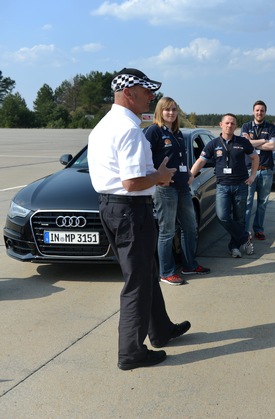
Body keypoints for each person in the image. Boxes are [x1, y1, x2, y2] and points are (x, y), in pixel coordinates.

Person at [87, 68, 190, 370]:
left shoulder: (104, 126)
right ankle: (131, 352)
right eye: (146, 92)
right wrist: (159, 177)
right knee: (137, 283)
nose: (151, 97)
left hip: (114, 209)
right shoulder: (129, 129)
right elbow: (132, 182)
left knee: (146, 273)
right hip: (131, 210)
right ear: (128, 93)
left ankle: (160, 330)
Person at [145, 97, 210, 286]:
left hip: (182, 186)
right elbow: (143, 159)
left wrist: (189, 174)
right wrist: (156, 176)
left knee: (190, 226)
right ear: (160, 111)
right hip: (165, 189)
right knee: (167, 231)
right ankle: (166, 272)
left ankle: (190, 264)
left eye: (174, 110)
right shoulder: (153, 131)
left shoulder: (177, 133)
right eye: (167, 110)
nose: (171, 113)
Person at [191, 113, 258, 258]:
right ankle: (245, 236)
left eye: (232, 123)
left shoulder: (242, 142)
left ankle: (234, 247)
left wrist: (253, 175)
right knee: (222, 216)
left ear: (236, 126)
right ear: (221, 124)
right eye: (227, 123)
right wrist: (190, 176)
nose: (229, 125)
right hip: (222, 186)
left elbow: (255, 157)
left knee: (240, 218)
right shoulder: (213, 144)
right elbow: (201, 161)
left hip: (241, 185)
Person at [241, 100, 275, 241]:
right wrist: (264, 140)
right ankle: (245, 231)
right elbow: (245, 144)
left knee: (262, 202)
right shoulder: (246, 126)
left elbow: (272, 146)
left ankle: (258, 230)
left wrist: (254, 143)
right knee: (248, 202)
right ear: (253, 111)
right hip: (250, 171)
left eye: (262, 110)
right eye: (257, 110)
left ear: (265, 112)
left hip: (266, 170)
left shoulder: (271, 127)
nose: (259, 113)